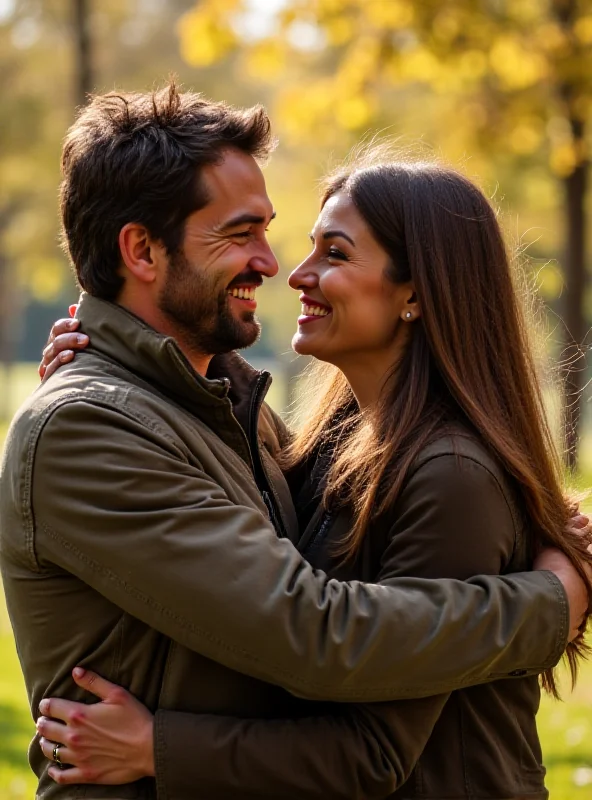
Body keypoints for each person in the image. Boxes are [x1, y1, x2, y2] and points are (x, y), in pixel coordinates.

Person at [1, 84, 589, 800]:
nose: (279, 266)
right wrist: (550, 604)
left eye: (313, 246)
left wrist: (164, 747)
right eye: (240, 233)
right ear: (141, 250)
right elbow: (313, 631)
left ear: (417, 294)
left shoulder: (229, 414)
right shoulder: (94, 426)